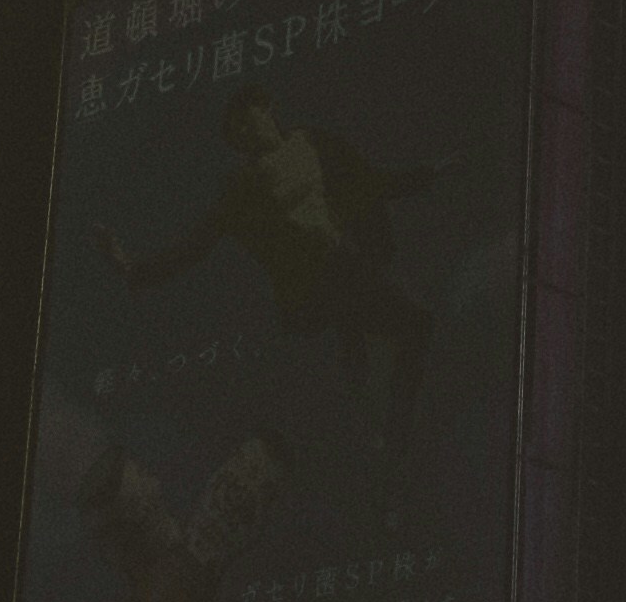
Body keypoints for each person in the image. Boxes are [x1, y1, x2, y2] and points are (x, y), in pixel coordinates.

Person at [99, 87, 449, 446]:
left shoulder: (311, 141)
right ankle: (387, 424)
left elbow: (368, 181)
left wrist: (426, 175)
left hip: (348, 263)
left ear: (266, 109)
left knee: (405, 329)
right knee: (401, 325)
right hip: (315, 281)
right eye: (236, 135)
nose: (244, 135)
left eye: (246, 122)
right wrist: (135, 271)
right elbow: (196, 244)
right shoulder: (242, 186)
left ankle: (386, 420)